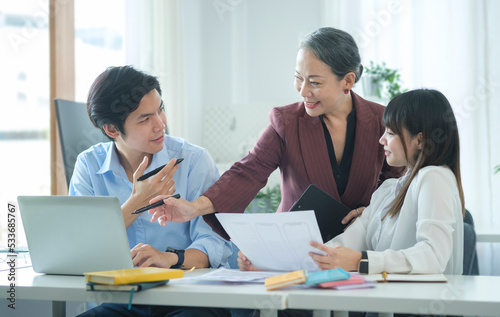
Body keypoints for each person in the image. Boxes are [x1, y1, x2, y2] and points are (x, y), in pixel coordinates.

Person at [149, 27, 404, 240]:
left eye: (314, 82)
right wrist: (194, 208)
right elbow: (248, 172)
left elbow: (395, 183)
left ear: (347, 81)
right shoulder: (286, 121)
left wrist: (371, 212)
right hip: (294, 247)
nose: (303, 91)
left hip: (358, 245)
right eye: (298, 78)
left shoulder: (381, 121)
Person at [240, 88, 465, 317]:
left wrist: (361, 260)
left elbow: (433, 257)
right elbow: (338, 248)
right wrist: (271, 261)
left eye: (391, 133)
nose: (381, 139)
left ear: (419, 139)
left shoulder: (434, 177)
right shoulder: (388, 190)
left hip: (416, 308)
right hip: (385, 306)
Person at [69, 65, 232, 317]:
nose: (161, 125)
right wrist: (138, 200)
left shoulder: (193, 160)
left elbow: (216, 244)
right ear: (112, 130)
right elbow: (82, 246)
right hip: (119, 301)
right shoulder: (88, 165)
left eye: (161, 110)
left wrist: (171, 259)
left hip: (189, 298)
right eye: (145, 119)